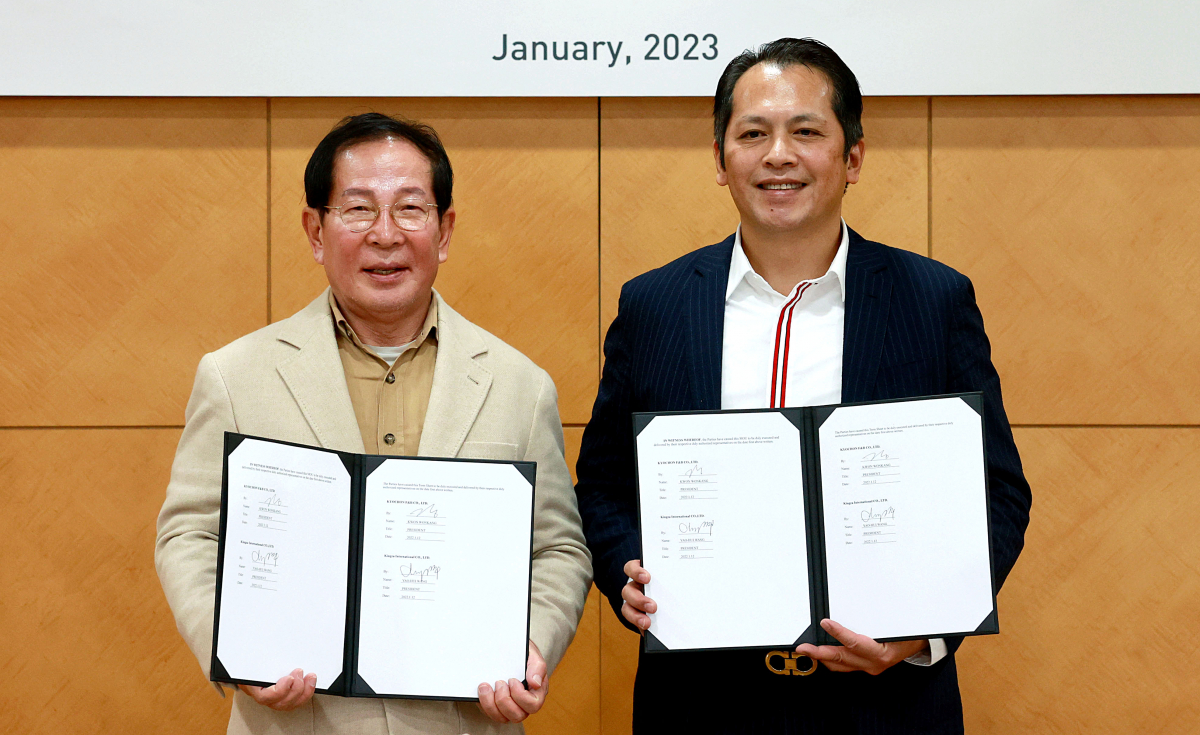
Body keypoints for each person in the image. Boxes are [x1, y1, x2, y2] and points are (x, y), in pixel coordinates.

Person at [574, 38, 1032, 734]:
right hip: (699, 701)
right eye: (752, 133)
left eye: (806, 131)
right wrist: (625, 570)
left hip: (886, 706)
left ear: (852, 158)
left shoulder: (932, 301)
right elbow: (604, 484)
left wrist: (926, 635)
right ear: (721, 161)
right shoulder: (654, 305)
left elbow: (997, 489)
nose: (777, 154)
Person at [156, 113, 591, 735]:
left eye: (411, 209)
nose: (385, 236)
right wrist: (236, 652)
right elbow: (190, 534)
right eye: (358, 209)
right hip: (298, 720)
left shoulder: (519, 385)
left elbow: (558, 547)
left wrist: (532, 648)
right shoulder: (235, 376)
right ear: (316, 230)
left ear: (443, 232)